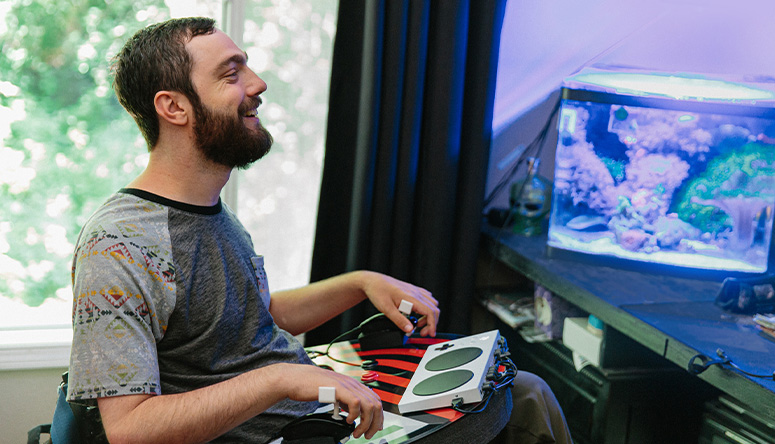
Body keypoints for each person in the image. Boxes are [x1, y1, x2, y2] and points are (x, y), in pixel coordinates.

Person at [67, 16, 572, 444]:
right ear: (173, 107)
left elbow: (247, 317)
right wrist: (285, 377)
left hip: (309, 410)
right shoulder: (120, 244)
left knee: (520, 388)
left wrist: (359, 283)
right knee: (522, 399)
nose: (257, 84)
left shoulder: (209, 212)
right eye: (231, 74)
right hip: (281, 432)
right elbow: (129, 428)